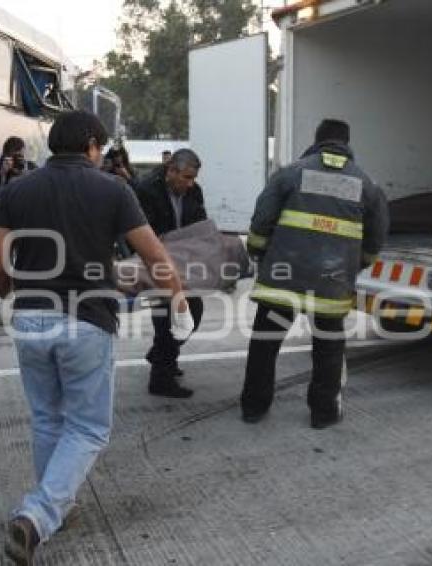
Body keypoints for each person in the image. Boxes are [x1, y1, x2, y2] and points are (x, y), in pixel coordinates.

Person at [0, 110, 193, 565]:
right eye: (100, 150)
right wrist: (177, 298)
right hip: (85, 322)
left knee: (46, 419)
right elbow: (154, 254)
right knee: (87, 427)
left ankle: (57, 507)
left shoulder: (15, 190)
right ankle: (38, 515)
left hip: (31, 319)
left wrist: (8, 297)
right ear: (93, 147)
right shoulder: (112, 189)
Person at [241, 119, 389, 429]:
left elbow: (261, 220)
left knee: (265, 344)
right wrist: (357, 263)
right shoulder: (367, 184)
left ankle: (254, 408)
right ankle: (323, 414)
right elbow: (376, 238)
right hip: (331, 284)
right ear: (347, 143)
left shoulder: (290, 173)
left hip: (283, 278)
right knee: (329, 349)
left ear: (317, 140)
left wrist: (260, 253)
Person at [135, 149, 207, 398]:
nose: (190, 184)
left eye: (193, 178)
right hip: (156, 264)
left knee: (193, 312)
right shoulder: (145, 191)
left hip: (184, 264)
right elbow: (139, 233)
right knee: (168, 319)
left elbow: (200, 225)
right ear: (171, 171)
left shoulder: (193, 192)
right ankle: (161, 378)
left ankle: (162, 357)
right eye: (186, 177)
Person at [0, 136, 37, 227]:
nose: (17, 161)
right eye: (14, 157)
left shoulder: (30, 167)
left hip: (23, 220)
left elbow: (38, 194)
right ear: (5, 155)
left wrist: (25, 175)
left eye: (20, 157)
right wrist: (1, 174)